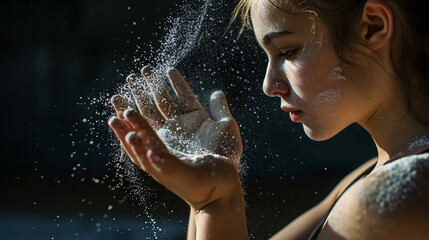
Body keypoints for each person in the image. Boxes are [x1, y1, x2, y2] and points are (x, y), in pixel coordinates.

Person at [108, 0, 429, 239]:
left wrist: (217, 202)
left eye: (287, 51)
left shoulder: (391, 202)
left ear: (373, 26)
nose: (269, 85)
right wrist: (209, 196)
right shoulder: (373, 177)